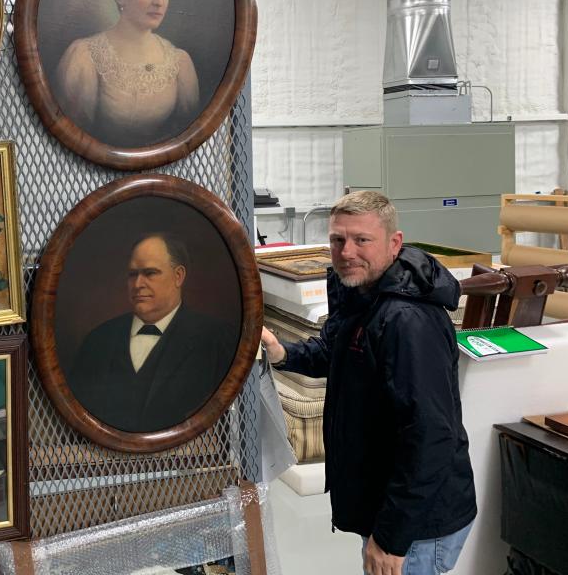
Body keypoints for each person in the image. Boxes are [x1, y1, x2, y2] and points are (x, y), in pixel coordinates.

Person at [260, 191, 476, 575]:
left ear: (394, 243)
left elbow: (431, 436)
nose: (346, 251)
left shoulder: (406, 320)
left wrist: (392, 538)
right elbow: (334, 351)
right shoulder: (365, 297)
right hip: (387, 505)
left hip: (417, 527)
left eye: (362, 240)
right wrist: (282, 352)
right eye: (337, 240)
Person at [66, 233, 238, 432]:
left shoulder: (216, 338)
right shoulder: (97, 340)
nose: (138, 284)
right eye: (132, 274)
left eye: (150, 273)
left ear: (178, 276)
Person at [55, 0, 200, 148]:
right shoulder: (85, 55)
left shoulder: (180, 62)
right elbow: (74, 138)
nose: (159, 1)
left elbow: (188, 138)